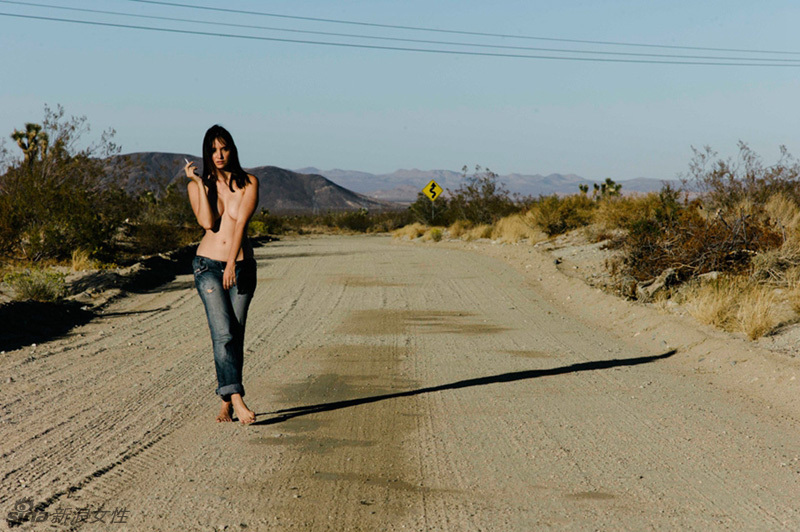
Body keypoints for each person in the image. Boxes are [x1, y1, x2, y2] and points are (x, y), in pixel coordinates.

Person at [185, 125, 259, 424]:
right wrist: (199, 184)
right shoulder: (198, 186)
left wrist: (231, 264)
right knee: (223, 333)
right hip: (207, 267)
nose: (219, 155)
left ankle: (225, 403)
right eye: (213, 150)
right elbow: (207, 222)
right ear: (207, 153)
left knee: (235, 336)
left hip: (240, 266)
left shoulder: (249, 182)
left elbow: (241, 224)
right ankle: (237, 399)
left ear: (232, 150)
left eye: (224, 148)